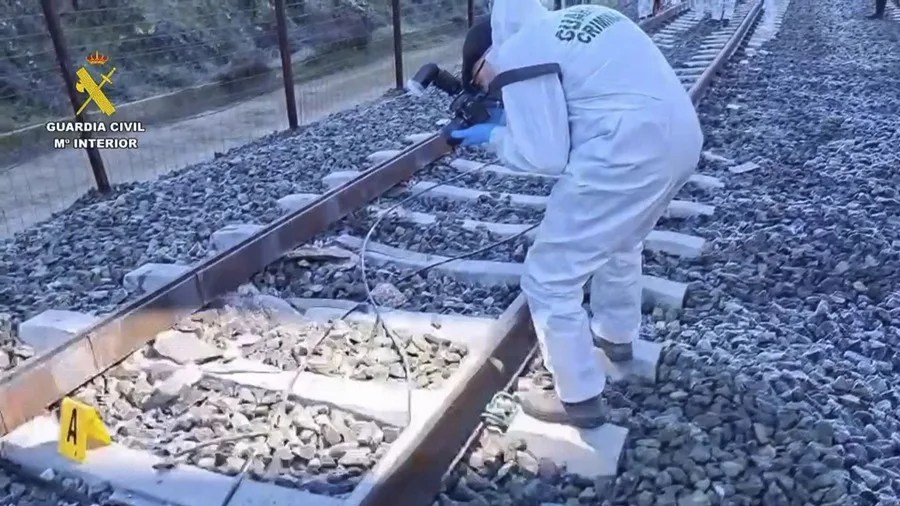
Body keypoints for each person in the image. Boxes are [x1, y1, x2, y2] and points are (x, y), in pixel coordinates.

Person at [451, 0, 703, 428]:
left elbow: (546, 156)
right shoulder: (580, 18)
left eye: (481, 80)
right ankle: (616, 337)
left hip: (624, 154)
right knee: (621, 242)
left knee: (548, 277)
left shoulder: (516, 53)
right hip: (680, 139)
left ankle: (577, 398)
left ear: (487, 56)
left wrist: (496, 134)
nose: (489, 90)